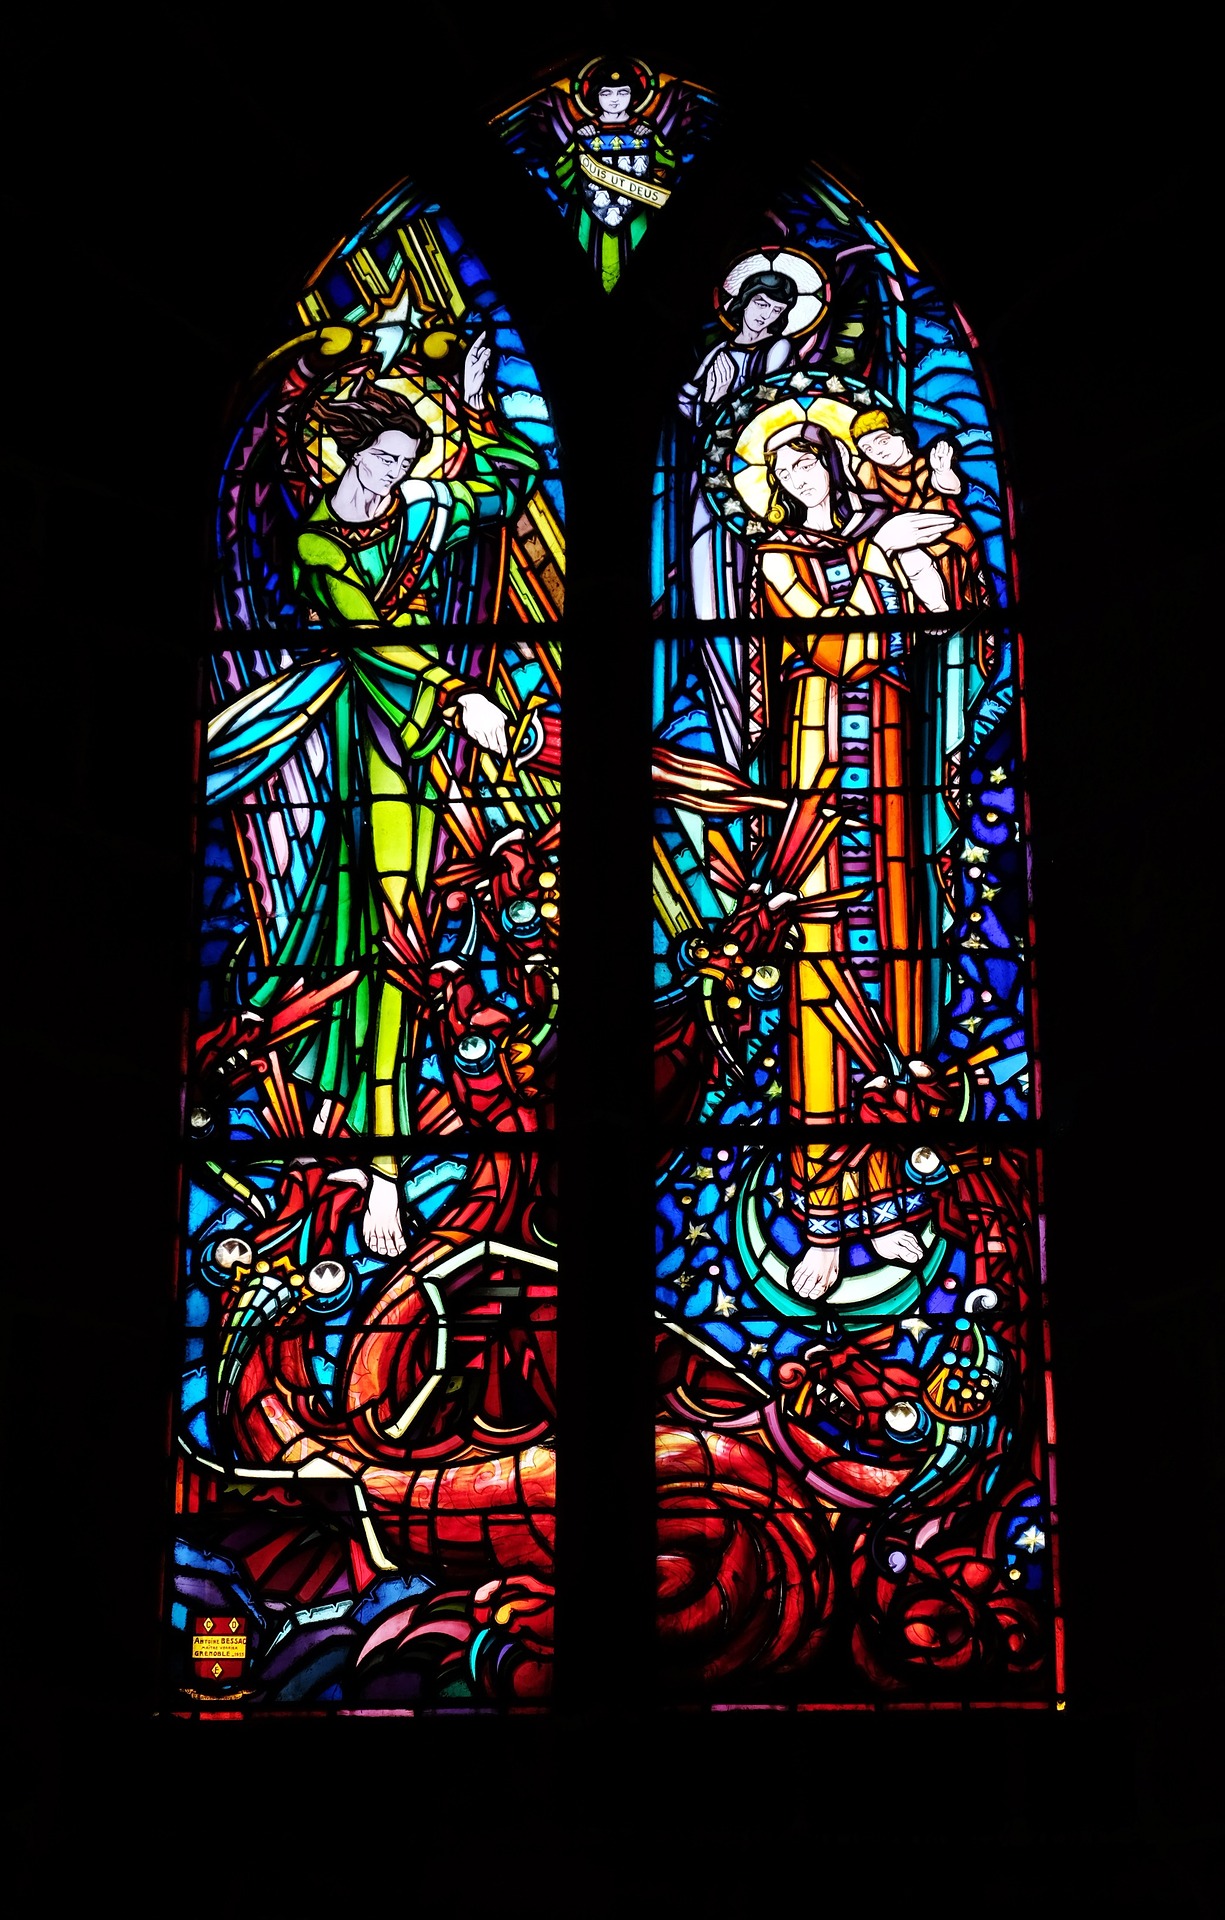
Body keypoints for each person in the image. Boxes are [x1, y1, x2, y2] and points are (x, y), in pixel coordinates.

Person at [207, 350, 540, 1259]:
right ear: (347, 452)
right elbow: (369, 634)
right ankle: (371, 1159)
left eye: (406, 460)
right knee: (370, 943)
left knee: (402, 940)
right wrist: (456, 695)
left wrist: (476, 408)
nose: (395, 473)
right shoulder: (318, 545)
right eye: (384, 457)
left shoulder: (422, 510)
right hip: (350, 753)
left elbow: (507, 485)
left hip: (417, 756)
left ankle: (369, 1145)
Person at [554, 59, 675, 293]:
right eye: (606, 92)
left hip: (638, 215)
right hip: (591, 218)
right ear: (595, 97)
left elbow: (667, 168)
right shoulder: (583, 133)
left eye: (623, 92)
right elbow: (562, 175)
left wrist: (654, 139)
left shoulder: (646, 132)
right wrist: (578, 143)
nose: (614, 99)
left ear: (634, 96)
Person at [848, 407, 982, 613]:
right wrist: (843, 473)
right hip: (904, 545)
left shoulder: (925, 464)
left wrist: (943, 471)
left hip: (947, 536)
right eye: (868, 449)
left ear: (901, 435)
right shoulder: (870, 471)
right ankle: (937, 612)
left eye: (882, 441)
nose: (877, 452)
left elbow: (951, 488)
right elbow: (856, 504)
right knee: (910, 559)